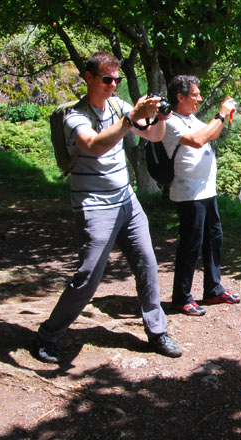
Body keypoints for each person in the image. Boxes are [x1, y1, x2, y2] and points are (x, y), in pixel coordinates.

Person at [35, 52, 182, 363]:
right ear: (89, 78)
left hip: (126, 200)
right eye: (107, 79)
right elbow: (95, 146)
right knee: (88, 277)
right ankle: (48, 335)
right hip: (94, 205)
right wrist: (130, 119)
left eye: (116, 79)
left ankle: (157, 332)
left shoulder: (118, 106)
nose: (113, 84)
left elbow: (153, 136)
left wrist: (160, 118)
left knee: (147, 265)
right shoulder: (75, 116)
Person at [162, 75, 240, 316]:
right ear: (180, 97)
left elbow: (210, 134)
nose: (199, 98)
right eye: (195, 94)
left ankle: (213, 289)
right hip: (188, 192)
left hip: (206, 190)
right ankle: (181, 297)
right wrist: (220, 113)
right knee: (191, 244)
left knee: (213, 239)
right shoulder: (169, 122)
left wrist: (222, 117)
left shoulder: (191, 118)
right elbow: (198, 140)